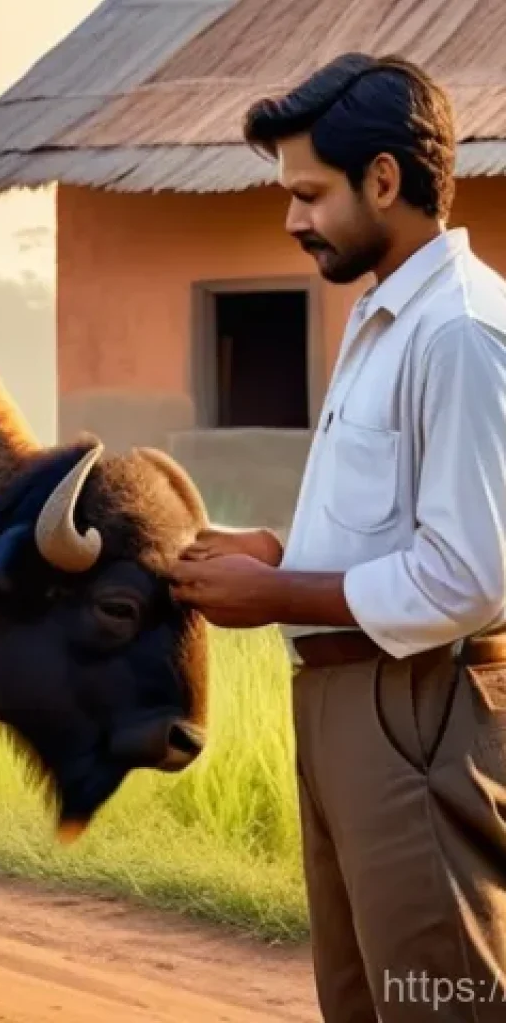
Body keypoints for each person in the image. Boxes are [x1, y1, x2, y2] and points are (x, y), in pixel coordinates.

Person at [168, 53, 506, 1022]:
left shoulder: (459, 333)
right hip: (347, 709)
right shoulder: (382, 320)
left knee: (434, 996)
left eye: (309, 193)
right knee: (360, 997)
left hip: (418, 711)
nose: (291, 218)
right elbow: (396, 526)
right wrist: (279, 553)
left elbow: (469, 577)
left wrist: (279, 598)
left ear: (384, 181)